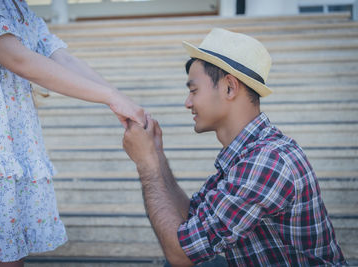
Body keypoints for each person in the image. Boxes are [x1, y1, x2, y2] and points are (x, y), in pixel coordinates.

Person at [122, 28, 346, 267]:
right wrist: (156, 155)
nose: (187, 103)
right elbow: (190, 219)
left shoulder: (266, 162)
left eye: (193, 90)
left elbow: (180, 254)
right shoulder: (247, 154)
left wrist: (146, 165)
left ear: (229, 87)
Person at [0, 0, 145, 266]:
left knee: (8, 254)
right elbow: (18, 59)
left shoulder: (19, 8)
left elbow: (61, 57)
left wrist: (122, 100)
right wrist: (111, 97)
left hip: (9, 147)